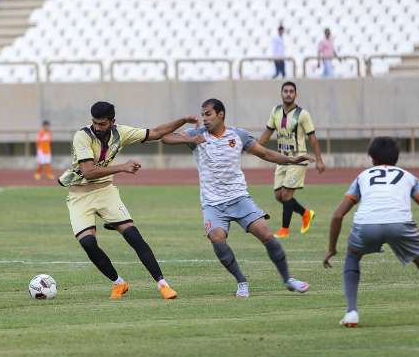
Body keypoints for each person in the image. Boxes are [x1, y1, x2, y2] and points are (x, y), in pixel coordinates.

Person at [162, 99, 311, 298]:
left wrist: (290, 159)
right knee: (217, 238)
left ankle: (288, 280)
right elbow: (165, 138)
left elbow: (265, 153)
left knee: (266, 235)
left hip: (240, 198)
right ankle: (242, 282)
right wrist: (187, 139)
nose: (204, 119)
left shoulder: (238, 135)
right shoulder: (196, 135)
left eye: (208, 114)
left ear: (221, 114)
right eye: (203, 114)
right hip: (213, 204)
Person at [58, 101, 197, 300]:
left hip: (106, 192)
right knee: (88, 243)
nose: (98, 127)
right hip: (79, 196)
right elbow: (88, 172)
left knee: (133, 236)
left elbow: (156, 133)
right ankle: (119, 283)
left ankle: (163, 284)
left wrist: (183, 120)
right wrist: (122, 167)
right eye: (95, 123)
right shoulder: (82, 136)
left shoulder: (120, 133)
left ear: (113, 122)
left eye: (103, 124)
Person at [323, 137, 419, 329]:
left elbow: (337, 215)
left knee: (353, 255)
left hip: (366, 224)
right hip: (400, 223)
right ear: (397, 158)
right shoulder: (409, 177)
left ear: (372, 158)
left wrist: (331, 249)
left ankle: (351, 312)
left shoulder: (363, 176)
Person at [258, 81, 325, 238]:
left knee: (286, 195)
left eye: (291, 91)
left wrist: (319, 160)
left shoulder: (303, 114)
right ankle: (305, 213)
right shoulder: (275, 111)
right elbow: (268, 132)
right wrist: (255, 146)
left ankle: (284, 230)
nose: (288, 94)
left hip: (298, 158)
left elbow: (313, 138)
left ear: (295, 94)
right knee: (278, 196)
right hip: (281, 158)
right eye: (285, 91)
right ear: (281, 93)